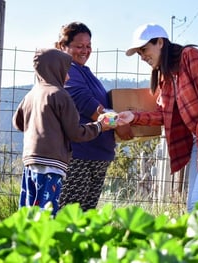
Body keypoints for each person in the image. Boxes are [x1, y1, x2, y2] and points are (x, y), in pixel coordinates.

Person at [117, 23, 198, 212]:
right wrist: (133, 117)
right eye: (139, 53)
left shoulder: (191, 56)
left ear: (160, 42)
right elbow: (163, 115)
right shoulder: (167, 77)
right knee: (193, 206)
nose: (142, 57)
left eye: (144, 49)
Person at [12, 48, 115, 216]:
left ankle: (26, 240)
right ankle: (50, 241)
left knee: (29, 209)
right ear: (55, 70)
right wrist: (99, 126)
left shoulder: (31, 94)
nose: (68, 77)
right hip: (52, 164)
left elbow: (17, 123)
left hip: (30, 162)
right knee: (48, 210)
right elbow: (75, 132)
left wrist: (38, 128)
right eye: (65, 71)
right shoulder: (60, 95)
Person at [55, 21, 133, 211]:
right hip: (80, 156)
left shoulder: (84, 72)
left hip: (97, 156)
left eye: (88, 46)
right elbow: (87, 104)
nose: (85, 50)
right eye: (79, 46)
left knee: (85, 218)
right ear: (63, 46)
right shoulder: (68, 71)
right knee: (71, 216)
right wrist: (120, 124)